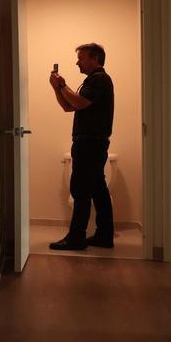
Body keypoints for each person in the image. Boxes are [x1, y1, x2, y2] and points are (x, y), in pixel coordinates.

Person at [48, 43, 115, 250]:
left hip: (90, 143)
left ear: (95, 59)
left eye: (81, 58)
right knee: (97, 190)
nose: (77, 62)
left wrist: (62, 85)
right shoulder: (92, 81)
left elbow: (79, 103)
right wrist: (57, 88)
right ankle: (104, 236)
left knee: (80, 189)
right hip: (91, 142)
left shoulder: (99, 79)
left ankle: (76, 238)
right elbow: (68, 107)